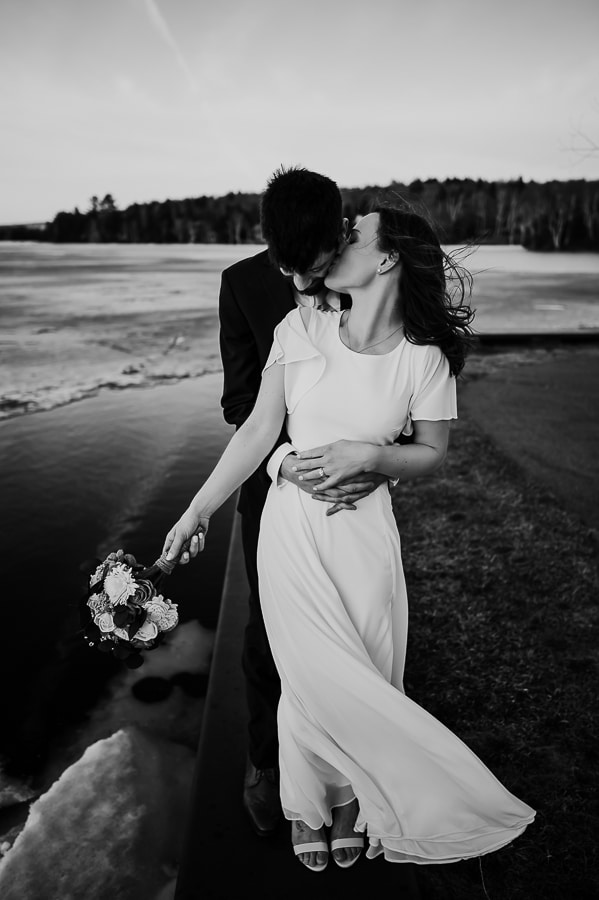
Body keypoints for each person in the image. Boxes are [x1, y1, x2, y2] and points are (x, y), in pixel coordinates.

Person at [163, 202, 535, 872]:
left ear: (386, 256)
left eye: (353, 234)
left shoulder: (424, 360)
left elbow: (430, 452)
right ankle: (307, 802)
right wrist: (197, 512)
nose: (338, 242)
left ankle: (352, 801)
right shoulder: (298, 325)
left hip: (365, 534)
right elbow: (253, 431)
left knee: (366, 661)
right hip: (291, 531)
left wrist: (373, 459)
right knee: (307, 675)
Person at [216, 166, 390, 839]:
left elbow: (394, 377)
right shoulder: (240, 284)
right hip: (274, 487)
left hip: (355, 490)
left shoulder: (366, 274)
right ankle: (268, 763)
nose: (302, 282)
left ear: (336, 236)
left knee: (354, 630)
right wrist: (291, 464)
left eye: (314, 265)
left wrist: (375, 460)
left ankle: (351, 773)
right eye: (289, 266)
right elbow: (240, 405)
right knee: (266, 634)